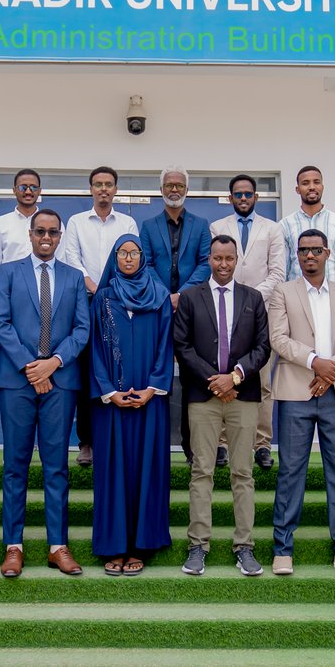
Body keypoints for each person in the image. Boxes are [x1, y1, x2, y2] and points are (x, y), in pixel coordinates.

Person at [0, 208, 90, 578]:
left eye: (52, 232)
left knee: (56, 467)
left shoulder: (74, 277)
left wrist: (53, 363)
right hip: (17, 380)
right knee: (15, 467)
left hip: (59, 382)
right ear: (30, 234)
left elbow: (82, 329)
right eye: (40, 231)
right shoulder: (8, 272)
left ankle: (57, 546)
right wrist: (32, 367)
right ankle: (13, 546)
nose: (46, 238)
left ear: (60, 236)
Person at [266, 230, 335, 578]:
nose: (310, 256)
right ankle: (283, 548)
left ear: (327, 253)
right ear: (297, 255)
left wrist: (331, 369)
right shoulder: (283, 292)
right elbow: (278, 338)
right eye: (304, 251)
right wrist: (314, 362)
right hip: (297, 391)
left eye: (316, 250)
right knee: (291, 472)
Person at [173, 235, 271, 577]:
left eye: (229, 258)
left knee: (242, 473)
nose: (224, 264)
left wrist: (236, 376)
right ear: (210, 260)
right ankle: (198, 545)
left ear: (236, 260)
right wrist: (215, 379)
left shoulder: (254, 298)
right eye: (218, 258)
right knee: (202, 472)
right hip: (203, 396)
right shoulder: (189, 298)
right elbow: (182, 346)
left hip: (243, 396)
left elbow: (263, 346)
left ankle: (244, 547)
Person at [89, 234, 174, 576]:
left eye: (133, 253)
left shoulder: (159, 297)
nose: (127, 259)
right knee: (114, 471)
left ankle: (141, 545)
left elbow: (167, 346)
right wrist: (109, 392)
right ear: (115, 257)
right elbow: (93, 349)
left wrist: (153, 389)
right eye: (122, 253)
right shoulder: (103, 298)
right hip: (112, 404)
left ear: (142, 258)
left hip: (149, 402)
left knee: (146, 468)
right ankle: (115, 546)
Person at [62, 166, 139, 468]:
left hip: (120, 306)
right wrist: (97, 289)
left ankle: (114, 438)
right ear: (91, 188)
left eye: (108, 184)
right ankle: (86, 442)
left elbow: (132, 256)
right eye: (98, 184)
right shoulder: (76, 222)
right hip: (86, 303)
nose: (103, 189)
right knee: (86, 372)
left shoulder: (128, 221)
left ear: (115, 189)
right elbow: (71, 259)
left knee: (117, 368)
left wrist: (112, 294)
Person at [211, 174, 286, 470]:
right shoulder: (218, 227)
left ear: (256, 197)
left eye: (248, 194)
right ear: (231, 198)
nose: (243, 198)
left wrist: (249, 297)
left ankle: (262, 444)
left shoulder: (273, 229)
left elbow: (278, 273)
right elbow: (218, 265)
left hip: (261, 311)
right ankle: (222, 443)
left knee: (262, 381)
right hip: (223, 311)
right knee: (224, 376)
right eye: (238, 194)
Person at [140, 166, 214, 465]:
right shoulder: (147, 226)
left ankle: (189, 444)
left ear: (186, 189)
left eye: (179, 185)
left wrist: (182, 295)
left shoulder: (201, 224)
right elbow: (144, 264)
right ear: (161, 190)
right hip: (156, 309)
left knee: (191, 376)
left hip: (191, 308)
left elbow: (205, 262)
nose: (174, 190)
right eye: (169, 185)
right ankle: (155, 443)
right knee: (154, 372)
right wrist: (165, 296)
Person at [280, 166, 335, 287]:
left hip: (333, 297)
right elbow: (282, 270)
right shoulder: (285, 225)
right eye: (305, 183)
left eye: (316, 182)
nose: (312, 187)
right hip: (297, 298)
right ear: (297, 189)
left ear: (322, 187)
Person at [0, 168, 51, 290]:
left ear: (40, 191)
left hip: (44, 292)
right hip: (9, 291)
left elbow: (61, 261)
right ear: (14, 190)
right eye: (23, 187)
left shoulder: (53, 224)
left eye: (34, 187)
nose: (29, 191)